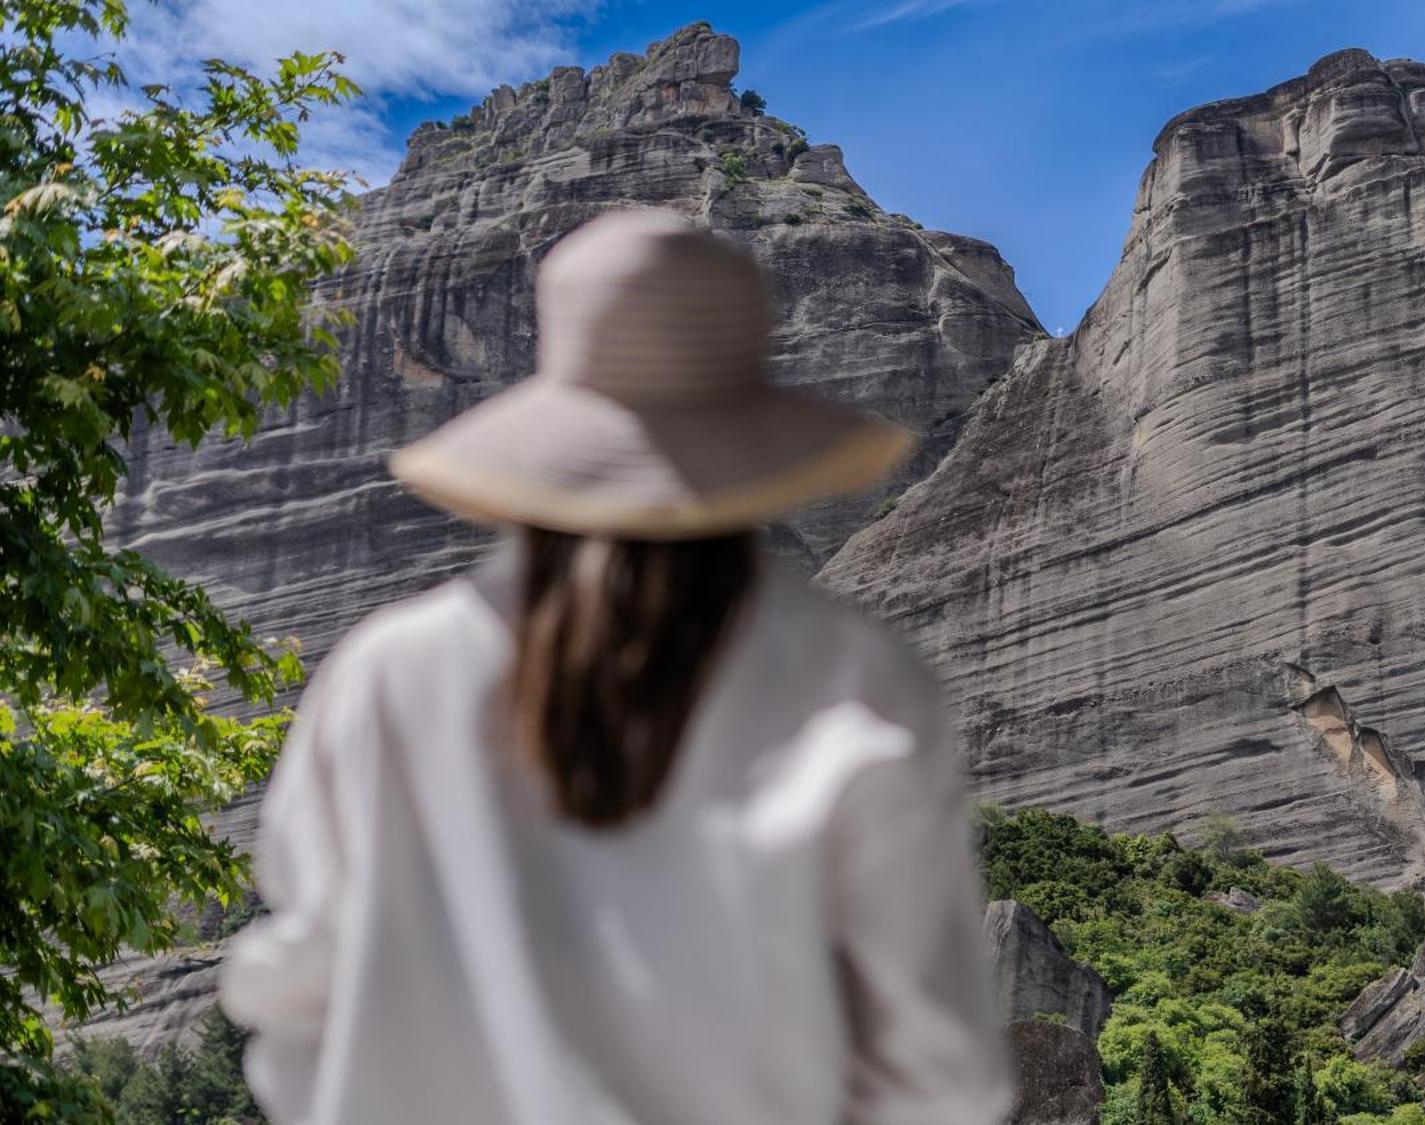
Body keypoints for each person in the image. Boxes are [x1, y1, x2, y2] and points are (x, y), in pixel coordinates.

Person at [219, 210, 1014, 1124]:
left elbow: (296, 988)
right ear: (755, 446)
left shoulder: (389, 673)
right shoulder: (855, 676)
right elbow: (937, 1070)